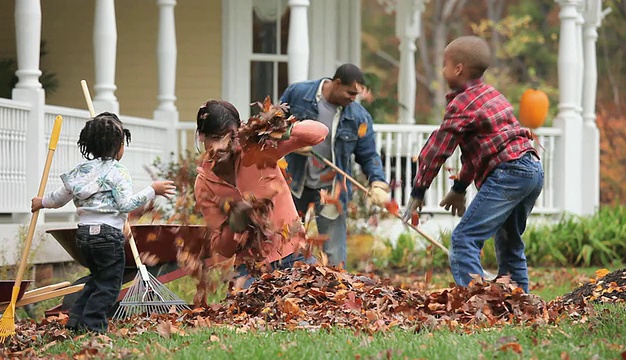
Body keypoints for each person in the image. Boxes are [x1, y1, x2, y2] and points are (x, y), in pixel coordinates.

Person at [402, 36, 544, 293]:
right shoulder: (492, 94)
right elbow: (475, 154)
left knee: (464, 238)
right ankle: (520, 301)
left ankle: (476, 302)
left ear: (458, 68)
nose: (442, 70)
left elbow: (437, 150)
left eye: (445, 64)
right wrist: (458, 189)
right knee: (510, 241)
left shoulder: (461, 104)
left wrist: (418, 191)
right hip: (531, 169)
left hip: (509, 172)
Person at [31, 112, 176, 333]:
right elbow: (126, 204)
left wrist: (41, 202)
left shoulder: (80, 172)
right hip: (107, 238)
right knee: (109, 286)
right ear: (119, 146)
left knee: (97, 280)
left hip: (84, 237)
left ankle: (75, 319)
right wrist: (152, 190)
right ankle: (93, 326)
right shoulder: (118, 172)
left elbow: (59, 198)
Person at [193, 99, 329, 290]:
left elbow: (319, 132)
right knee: (249, 314)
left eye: (229, 137)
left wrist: (281, 130)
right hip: (250, 269)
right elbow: (222, 249)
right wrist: (234, 225)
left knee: (325, 302)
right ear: (201, 136)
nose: (221, 147)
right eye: (215, 138)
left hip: (294, 255)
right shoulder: (204, 184)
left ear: (238, 131)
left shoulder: (257, 149)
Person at [280, 63, 390, 268]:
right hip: (293, 185)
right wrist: (290, 141)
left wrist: (378, 183)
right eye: (350, 93)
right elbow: (273, 123)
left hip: (331, 190)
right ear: (337, 83)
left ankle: (337, 296)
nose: (353, 98)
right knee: (284, 245)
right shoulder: (298, 94)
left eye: (356, 95)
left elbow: (368, 155)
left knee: (335, 255)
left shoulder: (358, 117)